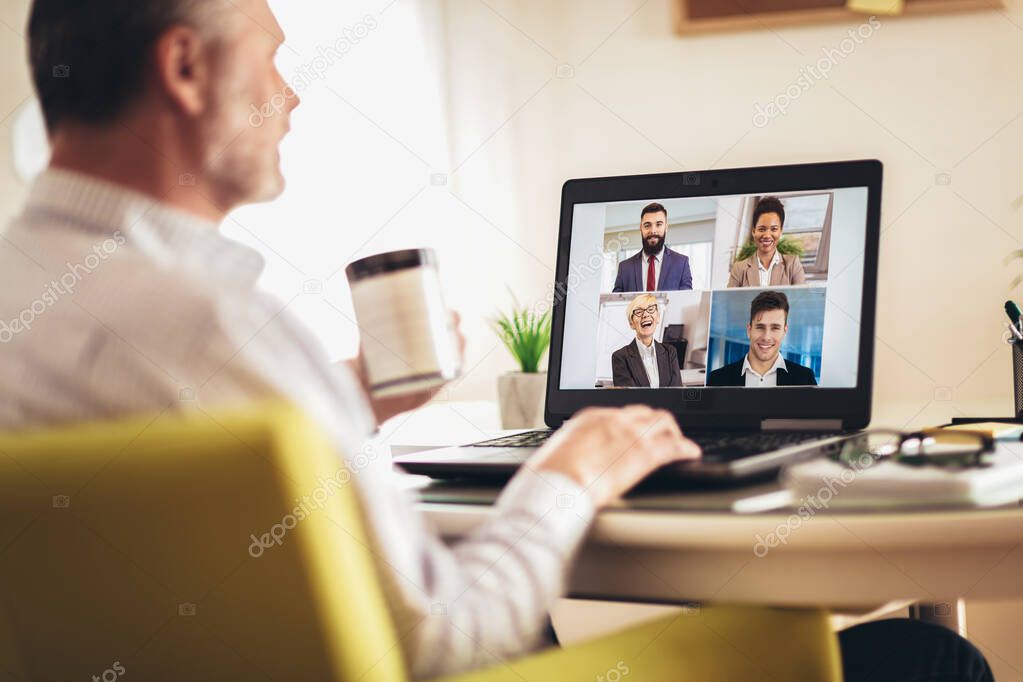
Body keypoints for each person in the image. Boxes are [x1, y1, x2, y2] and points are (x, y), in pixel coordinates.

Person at [0, 2, 992, 681]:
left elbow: (186, 459)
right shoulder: (216, 321)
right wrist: (565, 469)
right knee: (928, 658)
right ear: (182, 68)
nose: (291, 98)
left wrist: (342, 399)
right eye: (268, 58)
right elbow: (448, 639)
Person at [707, 291, 817, 387]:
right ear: (749, 330)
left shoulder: (805, 379)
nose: (766, 337)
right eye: (760, 327)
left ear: (784, 332)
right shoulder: (717, 379)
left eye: (775, 328)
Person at [727, 196, 807, 288]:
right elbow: (728, 302)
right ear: (753, 231)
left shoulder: (792, 265)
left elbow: (802, 300)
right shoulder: (739, 268)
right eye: (761, 229)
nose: (767, 235)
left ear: (780, 231)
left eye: (774, 229)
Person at [612, 202, 693, 292]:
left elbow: (685, 301)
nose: (653, 231)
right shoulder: (624, 267)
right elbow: (615, 304)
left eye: (658, 224)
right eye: (647, 225)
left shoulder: (681, 263)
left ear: (666, 227)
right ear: (641, 228)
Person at [611, 294, 682, 388]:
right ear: (631, 323)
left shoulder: (670, 352)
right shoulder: (620, 357)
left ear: (657, 317)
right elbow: (628, 398)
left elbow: (676, 393)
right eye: (639, 312)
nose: (645, 315)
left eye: (651, 309)